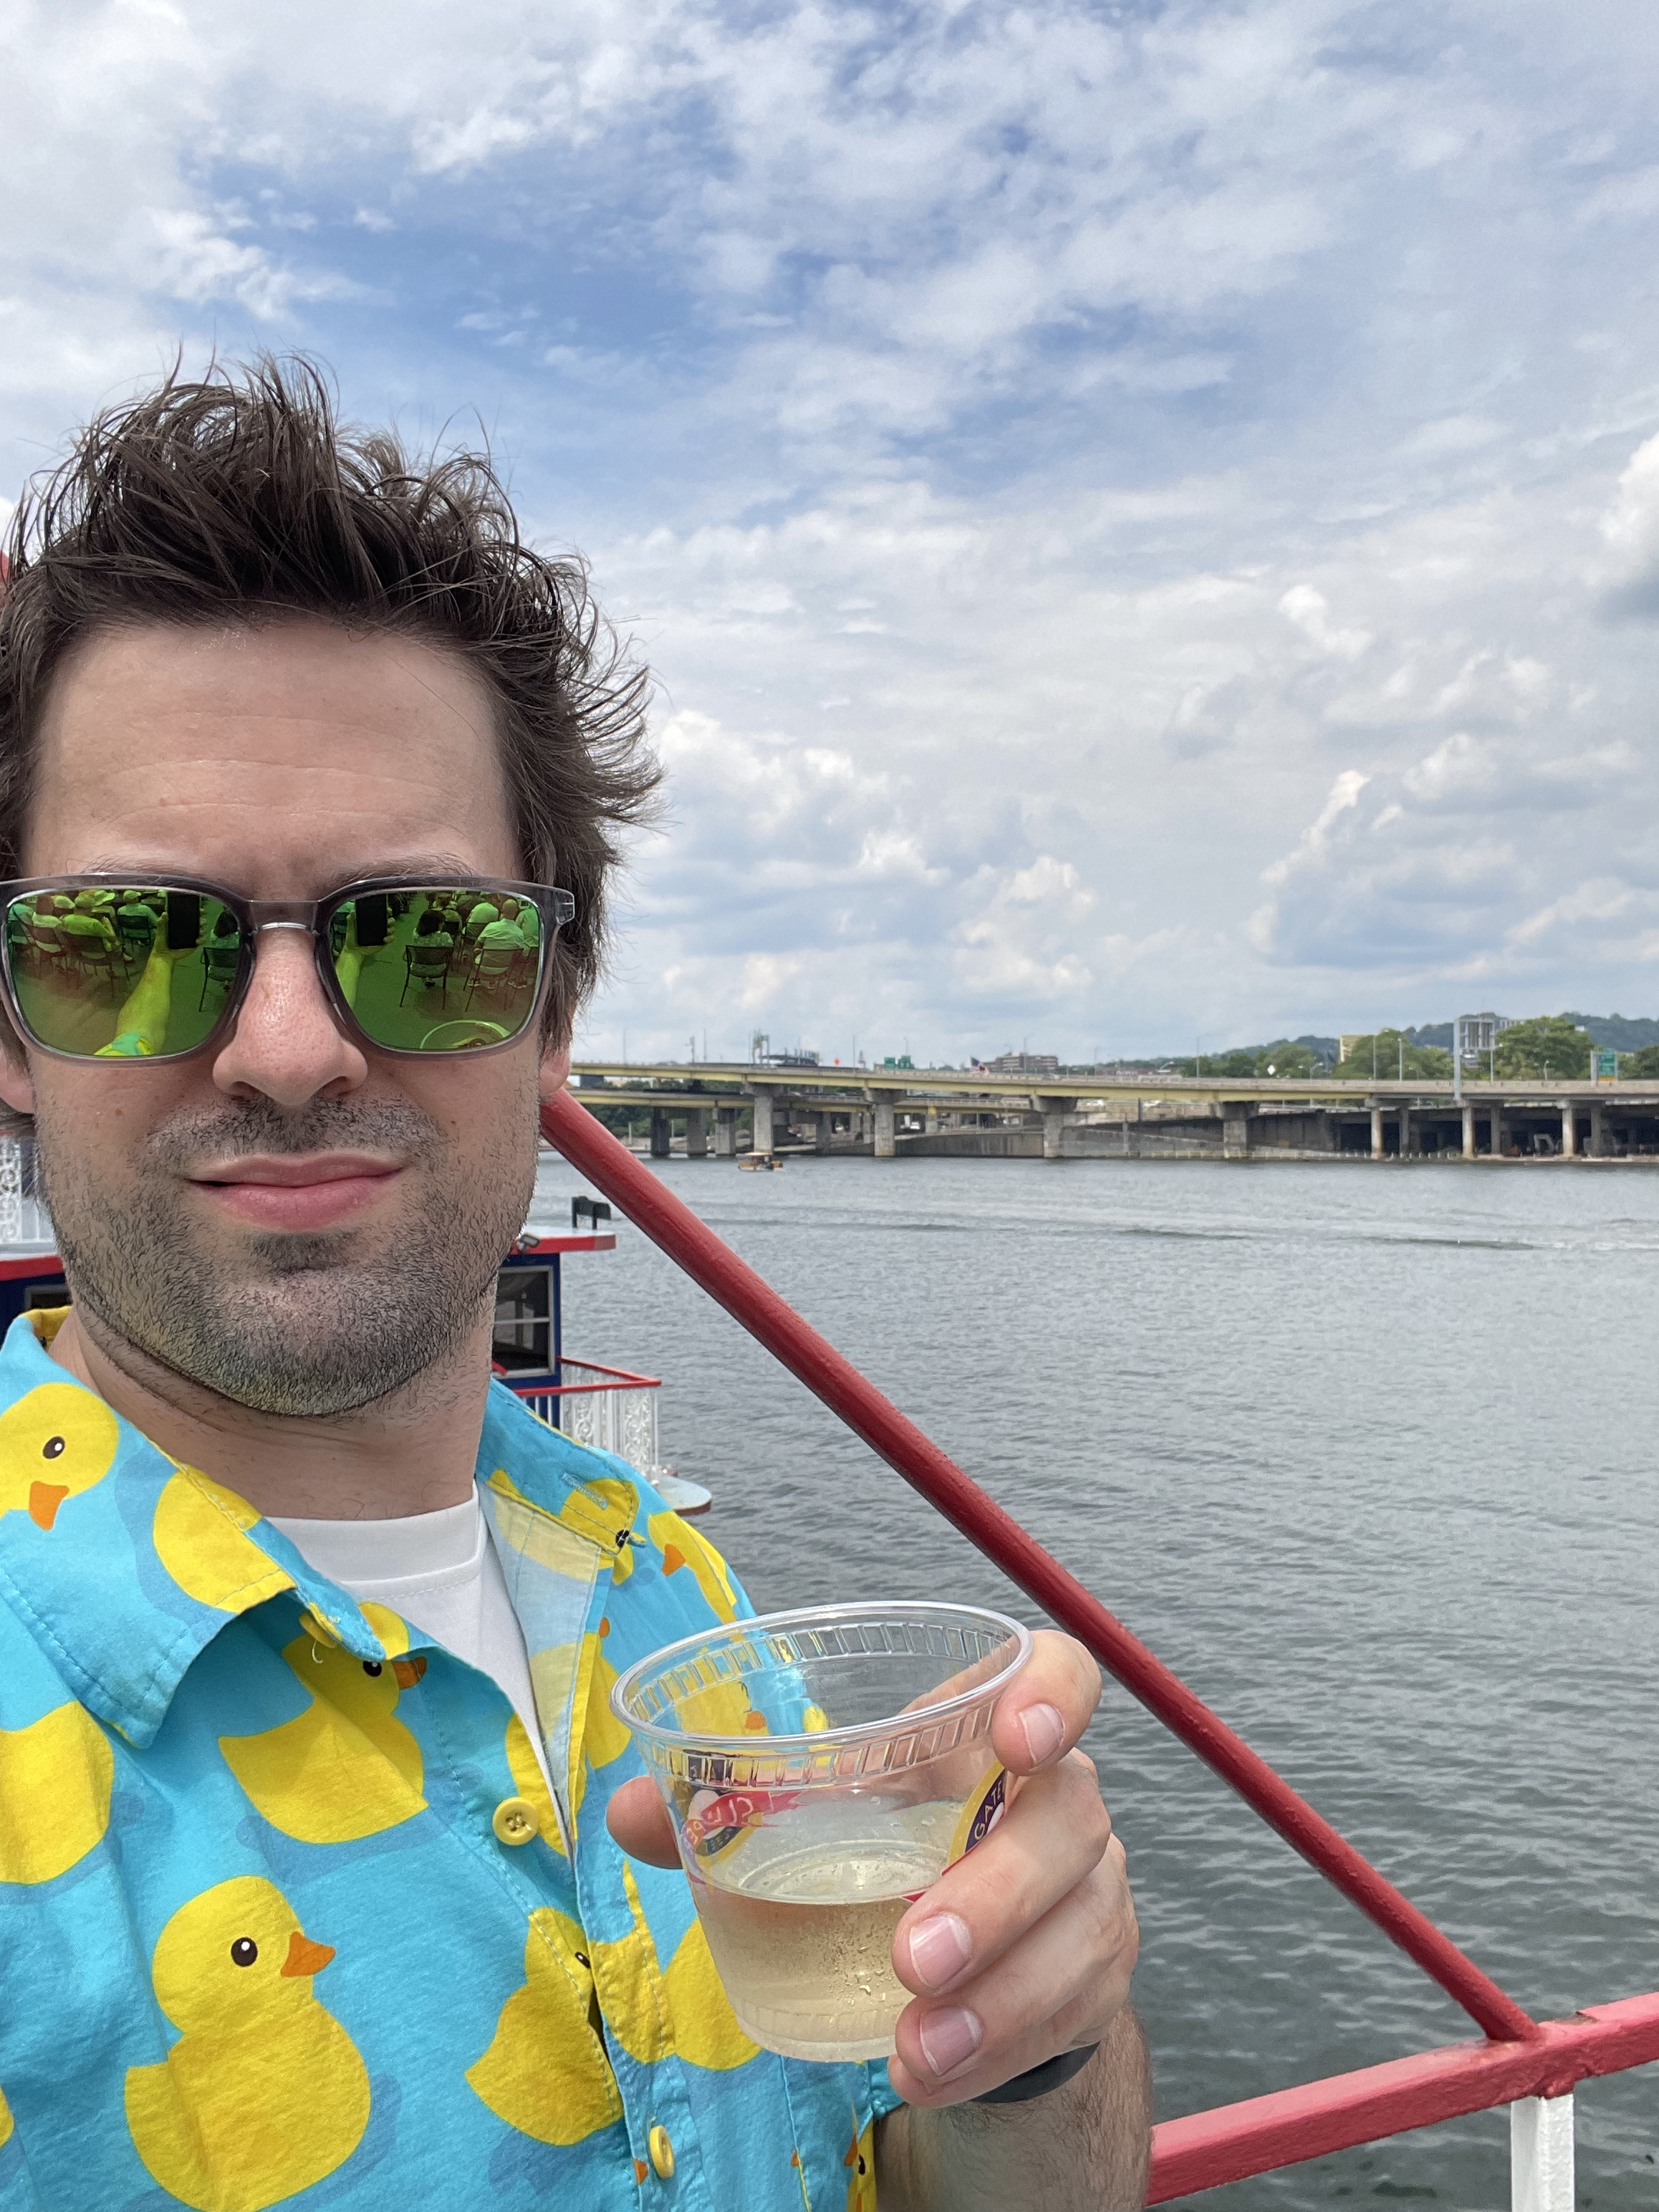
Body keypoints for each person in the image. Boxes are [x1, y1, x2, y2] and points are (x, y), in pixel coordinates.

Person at [0, 360, 1147, 2212]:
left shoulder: (675, 1598)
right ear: (12, 1023)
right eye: (135, 942)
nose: (286, 1048)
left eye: (428, 940)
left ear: (554, 1003)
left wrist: (1033, 2058)